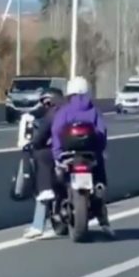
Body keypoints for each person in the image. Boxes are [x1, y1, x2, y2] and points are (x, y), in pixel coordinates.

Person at [50, 76, 114, 236]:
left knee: (57, 181)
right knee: (100, 181)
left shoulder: (64, 110)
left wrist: (57, 153)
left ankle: (59, 206)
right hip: (90, 155)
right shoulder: (93, 110)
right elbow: (102, 132)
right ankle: (102, 216)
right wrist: (99, 150)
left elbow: (56, 131)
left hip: (67, 155)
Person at [22, 87, 64, 239]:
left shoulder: (52, 115)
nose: (44, 106)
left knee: (44, 187)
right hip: (82, 153)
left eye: (46, 102)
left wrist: (32, 144)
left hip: (56, 154)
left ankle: (38, 225)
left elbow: (40, 137)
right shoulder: (75, 111)